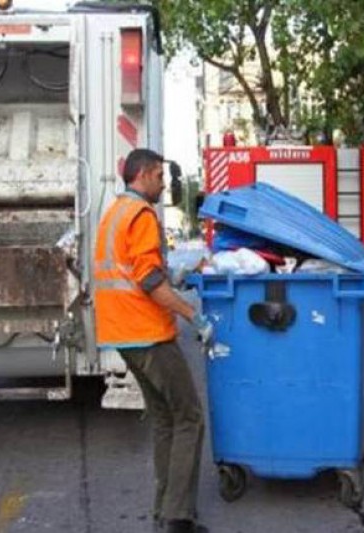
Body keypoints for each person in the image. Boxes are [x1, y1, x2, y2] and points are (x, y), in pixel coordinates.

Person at [94, 148, 213, 533]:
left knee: (164, 419)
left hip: (122, 334)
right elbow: (146, 281)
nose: (164, 184)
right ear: (143, 174)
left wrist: (173, 273)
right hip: (148, 333)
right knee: (189, 418)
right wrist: (193, 314)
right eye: (160, 176)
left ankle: (165, 508)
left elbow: (134, 270)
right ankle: (178, 517)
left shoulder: (114, 213)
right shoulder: (142, 214)